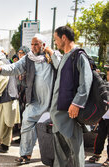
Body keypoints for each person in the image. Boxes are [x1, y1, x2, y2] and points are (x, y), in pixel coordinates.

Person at [0, 34, 55, 164]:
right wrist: (0, 68)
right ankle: (25, 155)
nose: (34, 47)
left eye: (37, 44)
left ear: (44, 45)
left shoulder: (51, 57)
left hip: (53, 102)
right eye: (32, 44)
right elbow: (15, 67)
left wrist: (51, 53)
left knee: (55, 130)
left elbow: (62, 66)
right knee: (27, 124)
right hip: (35, 101)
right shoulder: (28, 58)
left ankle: (57, 157)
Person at [44, 26, 93, 167]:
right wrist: (52, 53)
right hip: (58, 115)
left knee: (76, 152)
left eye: (56, 39)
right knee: (60, 155)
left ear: (64, 38)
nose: (55, 42)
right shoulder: (66, 56)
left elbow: (86, 82)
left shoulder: (79, 56)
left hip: (70, 115)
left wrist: (77, 103)